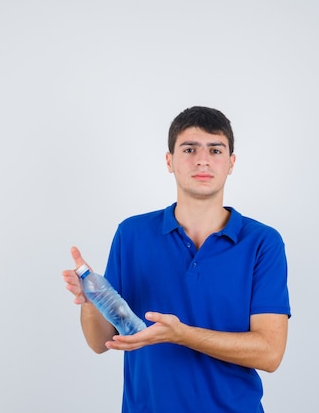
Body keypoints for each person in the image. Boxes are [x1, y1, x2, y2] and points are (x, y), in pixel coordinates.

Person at [62, 106, 291, 413]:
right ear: (169, 160)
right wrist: (91, 299)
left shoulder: (263, 242)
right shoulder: (133, 234)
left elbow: (270, 353)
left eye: (215, 150)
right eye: (189, 149)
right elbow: (99, 341)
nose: (202, 160)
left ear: (231, 163)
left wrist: (182, 335)